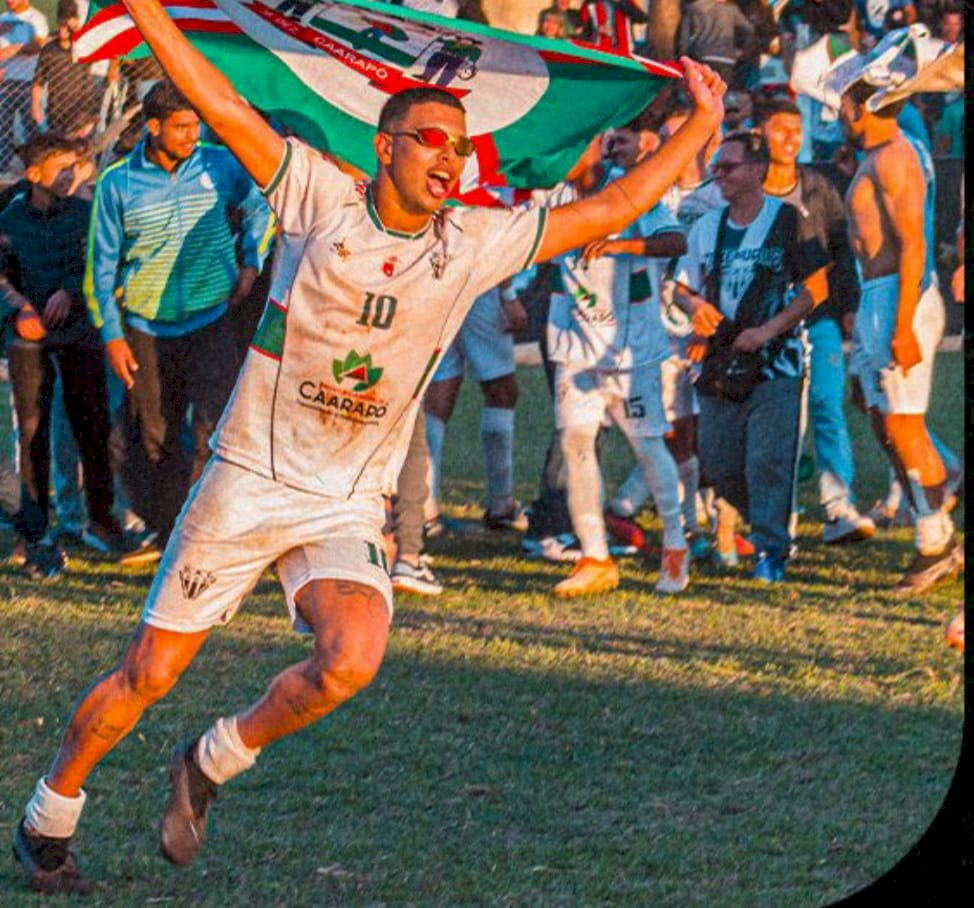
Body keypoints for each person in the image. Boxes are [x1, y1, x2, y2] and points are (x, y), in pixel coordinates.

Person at [11, 0, 726, 893]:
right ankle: (48, 818)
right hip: (246, 481)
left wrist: (701, 120)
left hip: (345, 498)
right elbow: (223, 103)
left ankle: (211, 759)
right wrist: (151, 11)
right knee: (146, 673)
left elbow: (615, 202)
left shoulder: (473, 241)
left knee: (351, 658)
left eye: (459, 146)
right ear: (386, 146)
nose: (450, 158)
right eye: (431, 139)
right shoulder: (316, 196)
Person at [85, 79, 273, 546]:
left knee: (216, 429)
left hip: (212, 322)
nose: (194, 135)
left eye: (197, 125)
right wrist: (111, 334)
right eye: (183, 127)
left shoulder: (220, 164)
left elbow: (260, 208)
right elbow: (99, 268)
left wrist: (251, 261)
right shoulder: (117, 185)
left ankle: (204, 535)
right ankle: (170, 534)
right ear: (154, 127)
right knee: (155, 437)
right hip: (145, 330)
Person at [674, 131, 828, 582]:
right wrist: (694, 306)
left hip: (777, 362)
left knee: (769, 458)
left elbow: (815, 287)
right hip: (722, 364)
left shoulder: (789, 220)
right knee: (718, 460)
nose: (718, 175)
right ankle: (762, 521)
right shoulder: (707, 227)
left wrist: (768, 331)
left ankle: (771, 550)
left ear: (757, 171)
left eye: (729, 167)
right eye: (716, 168)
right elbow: (682, 286)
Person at [835, 59, 962, 593]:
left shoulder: (895, 158)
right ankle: (947, 473)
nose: (838, 113)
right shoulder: (877, 155)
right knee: (874, 408)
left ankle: (935, 543)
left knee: (905, 424)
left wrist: (903, 323)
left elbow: (912, 243)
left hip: (897, 298)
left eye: (844, 104)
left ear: (863, 107)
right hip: (876, 296)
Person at [549, 132, 691, 598]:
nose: (565, 154)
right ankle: (595, 556)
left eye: (576, 144)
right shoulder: (552, 194)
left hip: (630, 351)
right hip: (576, 344)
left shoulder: (630, 189)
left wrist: (620, 247)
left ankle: (674, 543)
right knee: (575, 444)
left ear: (597, 145)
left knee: (647, 447)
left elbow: (675, 241)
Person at [0, 132, 147, 579]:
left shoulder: (86, 213)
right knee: (32, 432)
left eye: (74, 168)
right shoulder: (10, 218)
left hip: (79, 334)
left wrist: (70, 290)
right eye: (60, 168)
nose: (70, 175)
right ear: (33, 175)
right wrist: (19, 307)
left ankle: (100, 523)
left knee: (93, 428)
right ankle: (35, 531)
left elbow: (101, 263)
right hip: (29, 338)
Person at [756, 96, 874, 544]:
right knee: (775, 419)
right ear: (760, 131)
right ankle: (771, 513)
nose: (791, 137)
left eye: (797, 128)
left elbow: (841, 248)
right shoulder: (748, 188)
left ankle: (837, 506)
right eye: (780, 128)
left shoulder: (819, 186)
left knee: (827, 404)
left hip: (819, 317)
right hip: (764, 323)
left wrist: (849, 305)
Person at [423, 279, 528, 533]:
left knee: (439, 391)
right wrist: (509, 294)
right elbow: (496, 239)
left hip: (440, 285)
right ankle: (501, 505)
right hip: (479, 286)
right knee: (501, 390)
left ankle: (424, 510)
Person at [31, 0, 98, 138]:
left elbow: (93, 41)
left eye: (67, 26)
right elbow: (38, 81)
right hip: (57, 111)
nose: (63, 29)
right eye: (61, 25)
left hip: (82, 110)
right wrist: (36, 107)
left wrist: (76, 29)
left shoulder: (81, 47)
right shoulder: (49, 50)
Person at [0, 0, 49, 173]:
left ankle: (35, 165)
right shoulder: (3, 18)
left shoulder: (36, 18)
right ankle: (2, 168)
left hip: (28, 80)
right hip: (5, 81)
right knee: (2, 127)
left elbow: (39, 45)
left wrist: (14, 50)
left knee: (32, 127)